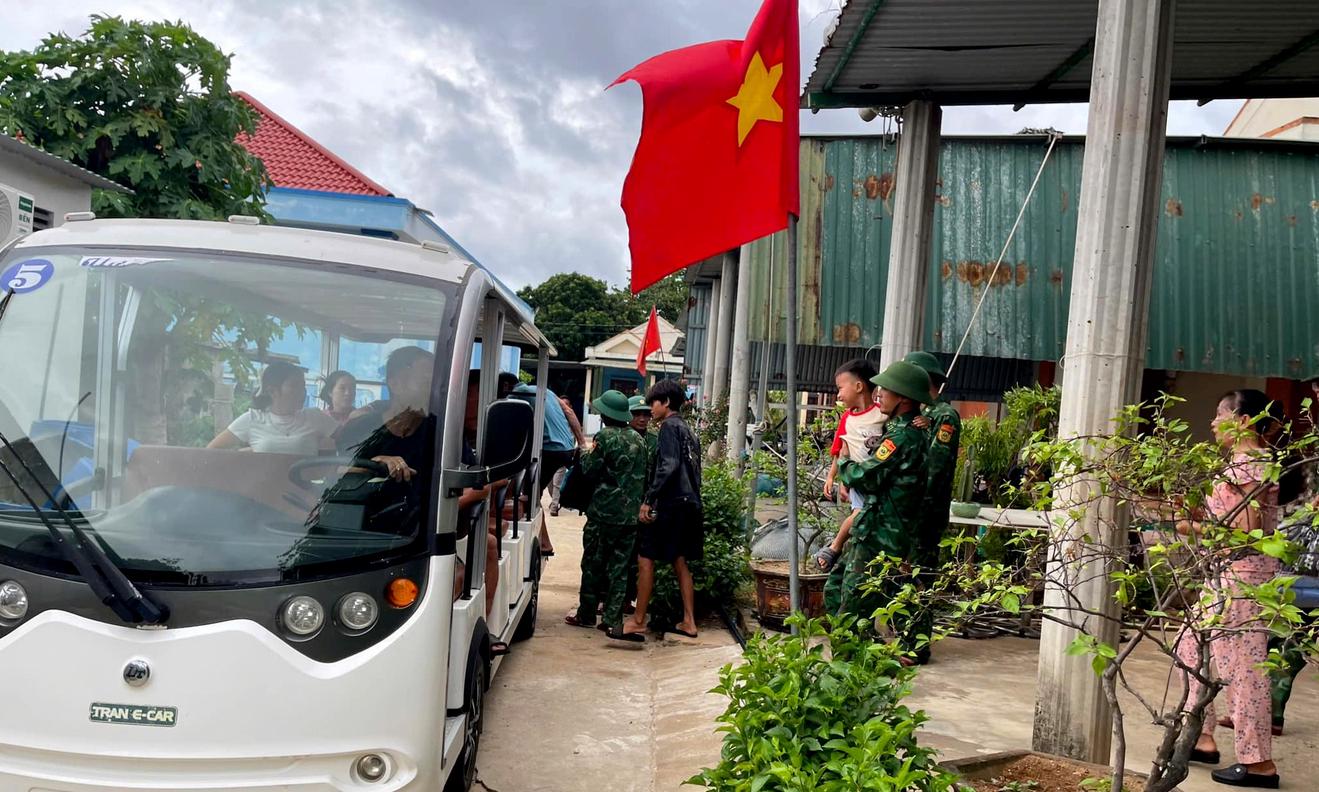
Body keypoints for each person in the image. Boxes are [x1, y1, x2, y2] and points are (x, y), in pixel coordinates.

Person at [1176, 390, 1284, 788]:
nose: (1213, 422)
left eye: (1220, 414)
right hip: (1227, 574)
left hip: (1243, 576)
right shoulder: (1243, 463)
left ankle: (1258, 764)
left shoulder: (1250, 464)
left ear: (1242, 421)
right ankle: (1201, 738)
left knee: (1244, 668)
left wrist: (1191, 527)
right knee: (1190, 646)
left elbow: (1245, 532)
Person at [832, 361, 931, 659]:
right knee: (856, 585)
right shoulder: (900, 429)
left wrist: (845, 462)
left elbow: (867, 476)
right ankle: (901, 647)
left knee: (856, 596)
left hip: (883, 530)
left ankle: (852, 658)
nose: (879, 394)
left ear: (903, 398)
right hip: (881, 525)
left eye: (886, 390)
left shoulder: (902, 436)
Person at [622, 379, 703, 641]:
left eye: (653, 404)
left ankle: (638, 621)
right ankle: (689, 621)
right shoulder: (688, 429)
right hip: (690, 504)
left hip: (671, 504)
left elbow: (668, 466)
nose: (650, 410)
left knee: (645, 558)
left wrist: (649, 499)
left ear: (665, 403)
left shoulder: (668, 427)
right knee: (680, 561)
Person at [565, 390, 647, 639]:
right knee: (619, 568)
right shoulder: (639, 439)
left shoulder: (604, 437)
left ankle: (587, 615)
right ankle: (612, 619)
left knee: (593, 564)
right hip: (629, 517)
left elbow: (589, 470)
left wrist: (585, 451)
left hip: (603, 513)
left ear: (605, 415)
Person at [903, 351, 962, 665]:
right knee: (904, 573)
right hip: (911, 509)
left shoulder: (944, 415)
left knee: (920, 575)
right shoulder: (924, 412)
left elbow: (936, 466)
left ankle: (916, 646)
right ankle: (906, 637)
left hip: (926, 510)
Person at [816, 359, 884, 582]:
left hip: (877, 479)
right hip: (857, 481)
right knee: (859, 514)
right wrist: (833, 477)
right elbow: (840, 452)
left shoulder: (883, 414)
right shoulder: (847, 419)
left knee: (862, 517)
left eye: (840, 388)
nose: (839, 395)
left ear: (858, 386)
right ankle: (835, 547)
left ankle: (837, 548)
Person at [209, 360, 337, 456]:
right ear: (272, 391)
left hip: (304, 485)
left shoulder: (314, 417)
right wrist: (243, 459)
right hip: (261, 485)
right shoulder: (252, 419)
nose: (302, 392)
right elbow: (211, 451)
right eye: (294, 386)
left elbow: (347, 442)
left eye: (303, 386)